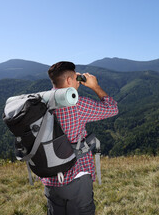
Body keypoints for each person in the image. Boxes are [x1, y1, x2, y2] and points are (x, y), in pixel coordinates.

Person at [41, 61, 118, 215]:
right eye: (76, 76)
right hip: (76, 176)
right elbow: (112, 108)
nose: (78, 79)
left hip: (50, 178)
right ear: (69, 80)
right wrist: (95, 86)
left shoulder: (41, 102)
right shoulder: (77, 105)